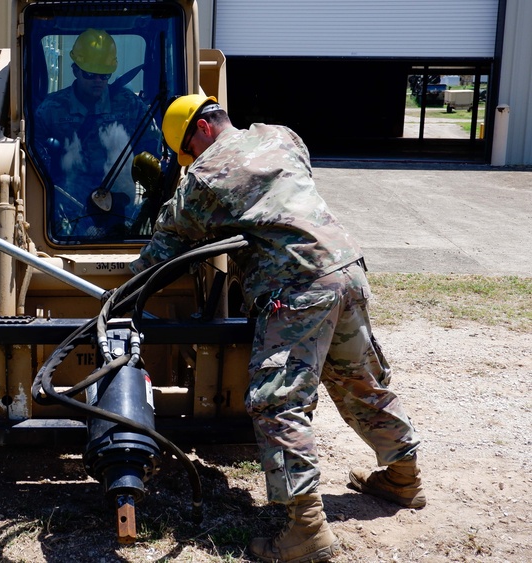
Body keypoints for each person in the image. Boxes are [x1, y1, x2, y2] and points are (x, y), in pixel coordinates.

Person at [130, 94, 426, 563]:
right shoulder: (279, 135)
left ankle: (306, 531)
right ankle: (403, 477)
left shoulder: (204, 176)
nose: (191, 162)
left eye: (186, 152)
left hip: (296, 287)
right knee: (359, 379)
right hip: (345, 269)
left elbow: (166, 243)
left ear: (200, 132)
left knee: (278, 400)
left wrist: (124, 289)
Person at [33, 28, 162, 239]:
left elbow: (153, 144)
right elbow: (32, 152)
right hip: (69, 202)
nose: (98, 81)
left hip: (122, 199)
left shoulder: (128, 104)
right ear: (75, 70)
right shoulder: (53, 108)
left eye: (104, 76)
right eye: (90, 74)